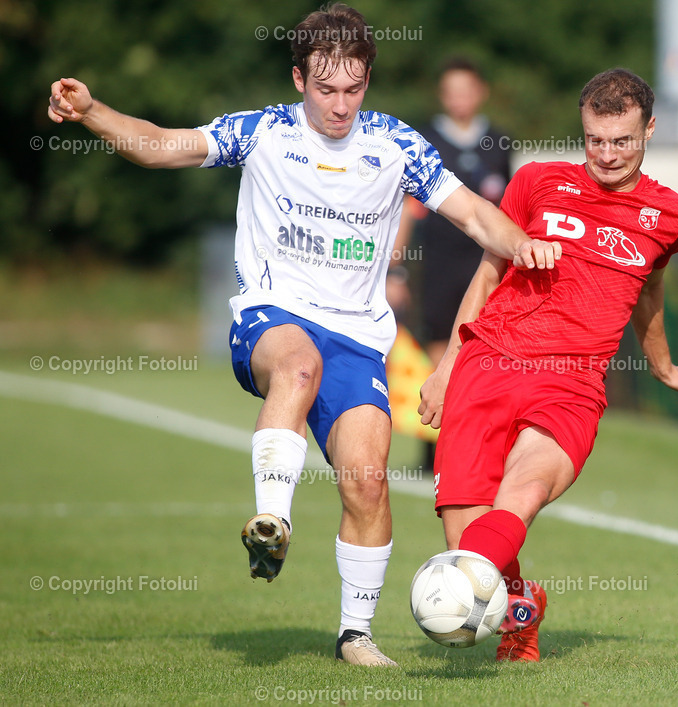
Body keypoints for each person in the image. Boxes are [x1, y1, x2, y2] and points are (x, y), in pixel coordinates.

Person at [47, 3, 558, 668]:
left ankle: (355, 635)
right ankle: (273, 521)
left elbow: (474, 214)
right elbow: (160, 145)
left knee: (368, 481)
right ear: (298, 79)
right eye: (325, 89)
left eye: (353, 89)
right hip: (274, 313)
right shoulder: (263, 131)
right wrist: (92, 111)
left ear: (367, 83)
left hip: (358, 337)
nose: (340, 106)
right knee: (298, 365)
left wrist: (525, 244)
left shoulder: (395, 144)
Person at [418, 68, 678, 662]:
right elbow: (489, 272)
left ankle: (455, 597)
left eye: (622, 140)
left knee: (519, 497)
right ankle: (522, 605)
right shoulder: (536, 182)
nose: (606, 154)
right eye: (594, 140)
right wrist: (447, 366)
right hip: (488, 362)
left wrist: (663, 364)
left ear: (649, 130)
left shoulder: (670, 215)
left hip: (573, 383)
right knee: (465, 536)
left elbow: (649, 293)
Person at [394, 57, 512, 472]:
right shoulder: (423, 140)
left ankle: (476, 449)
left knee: (483, 356)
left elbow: (509, 210)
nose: (459, 99)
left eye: (466, 89)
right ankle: (434, 449)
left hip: (487, 266)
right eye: (451, 91)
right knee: (438, 352)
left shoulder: (499, 142)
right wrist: (396, 269)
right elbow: (407, 209)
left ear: (481, 92)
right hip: (437, 265)